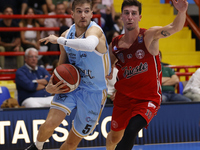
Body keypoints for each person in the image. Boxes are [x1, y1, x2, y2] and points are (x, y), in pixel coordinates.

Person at [25, 0, 111, 149]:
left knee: (71, 142)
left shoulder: (95, 31)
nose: (83, 15)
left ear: (91, 13)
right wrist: (51, 86)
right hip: (72, 87)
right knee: (49, 124)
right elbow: (61, 68)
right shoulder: (66, 35)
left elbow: (89, 45)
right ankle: (36, 147)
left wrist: (59, 40)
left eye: (86, 11)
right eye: (79, 11)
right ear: (72, 14)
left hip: (94, 92)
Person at [106, 0, 189, 150]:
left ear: (139, 17)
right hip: (123, 98)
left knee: (131, 130)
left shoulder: (148, 36)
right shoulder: (116, 45)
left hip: (147, 98)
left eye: (134, 13)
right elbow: (108, 67)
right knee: (113, 137)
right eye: (126, 13)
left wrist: (182, 12)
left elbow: (174, 27)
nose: (130, 16)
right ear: (122, 17)